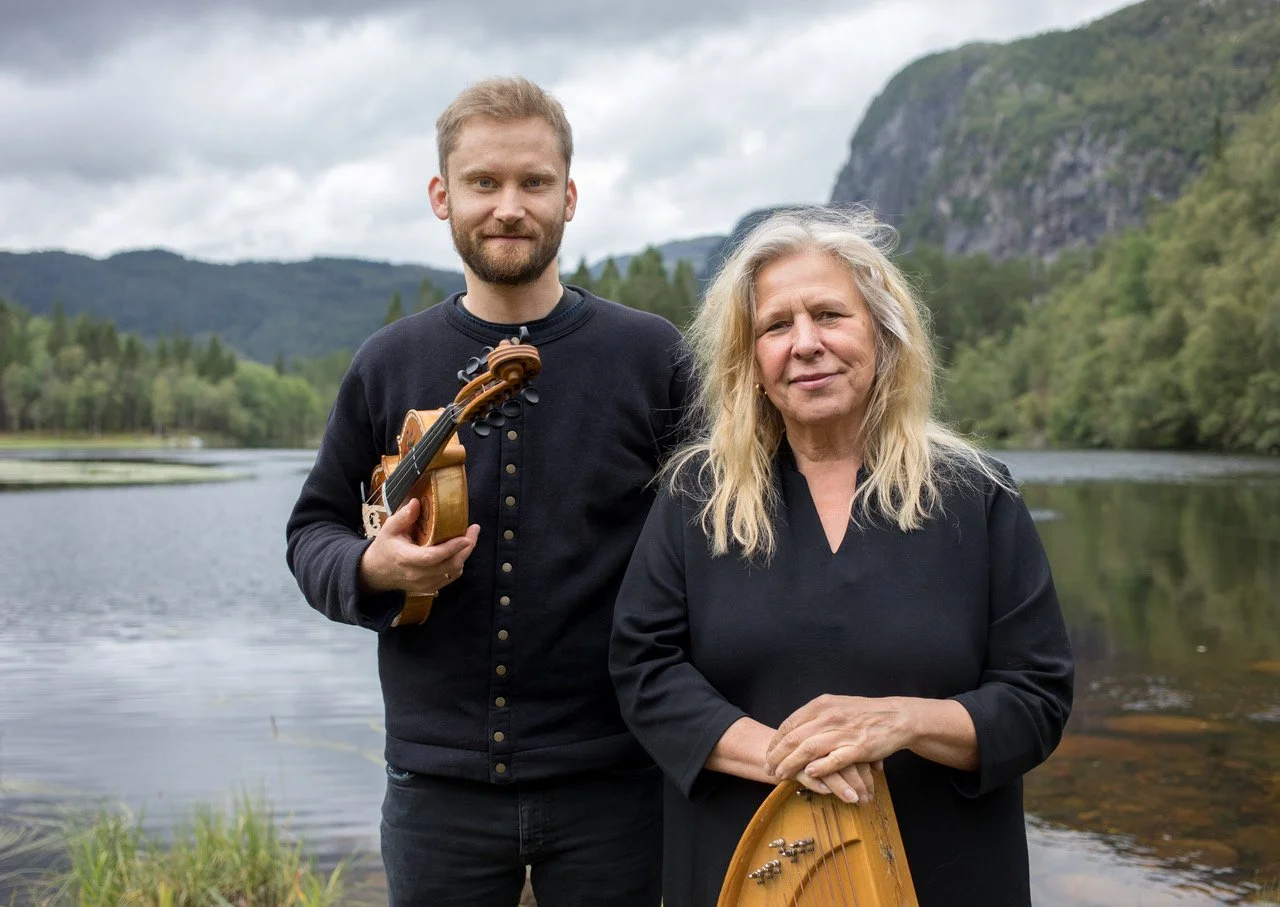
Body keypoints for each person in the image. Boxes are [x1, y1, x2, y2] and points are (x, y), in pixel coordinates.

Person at [286, 76, 689, 907]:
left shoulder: (651, 357)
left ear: (569, 197)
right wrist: (369, 568)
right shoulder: (388, 362)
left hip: (618, 778)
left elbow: (722, 535)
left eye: (534, 182)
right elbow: (313, 530)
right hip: (435, 790)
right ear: (443, 197)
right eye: (484, 182)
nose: (510, 206)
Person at [609, 206, 1073, 907]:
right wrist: (786, 759)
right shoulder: (695, 495)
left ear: (883, 335)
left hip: (945, 871)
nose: (805, 344)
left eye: (829, 315)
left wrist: (904, 721)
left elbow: (1038, 696)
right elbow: (643, 669)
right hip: (747, 870)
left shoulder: (976, 494)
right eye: (776, 326)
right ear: (749, 360)